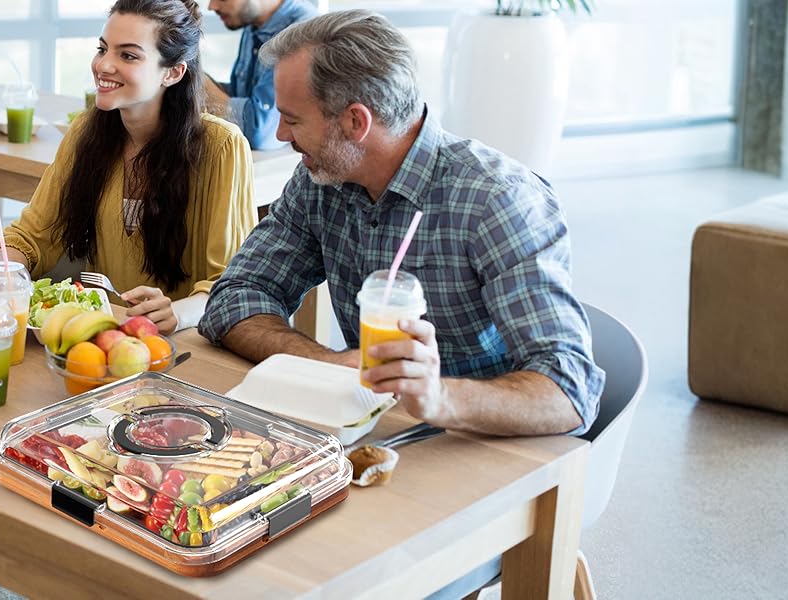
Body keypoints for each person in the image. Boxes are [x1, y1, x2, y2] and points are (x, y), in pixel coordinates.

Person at [199, 12, 606, 595]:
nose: (282, 136)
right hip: (369, 448)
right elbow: (235, 297)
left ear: (356, 122)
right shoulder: (321, 180)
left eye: (292, 120)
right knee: (236, 552)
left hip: (481, 466)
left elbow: (570, 391)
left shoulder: (497, 201)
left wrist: (439, 397)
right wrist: (327, 362)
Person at [0, 0, 256, 334]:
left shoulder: (223, 147)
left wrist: (177, 312)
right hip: (102, 337)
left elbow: (232, 284)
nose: (104, 65)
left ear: (173, 72)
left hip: (186, 344)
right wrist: (5, 276)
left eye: (128, 55)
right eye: (103, 49)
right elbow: (30, 236)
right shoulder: (85, 131)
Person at [203, 0, 316, 150]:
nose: (212, 6)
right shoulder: (253, 25)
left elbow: (262, 133)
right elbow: (241, 96)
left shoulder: (302, 33)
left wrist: (198, 79)